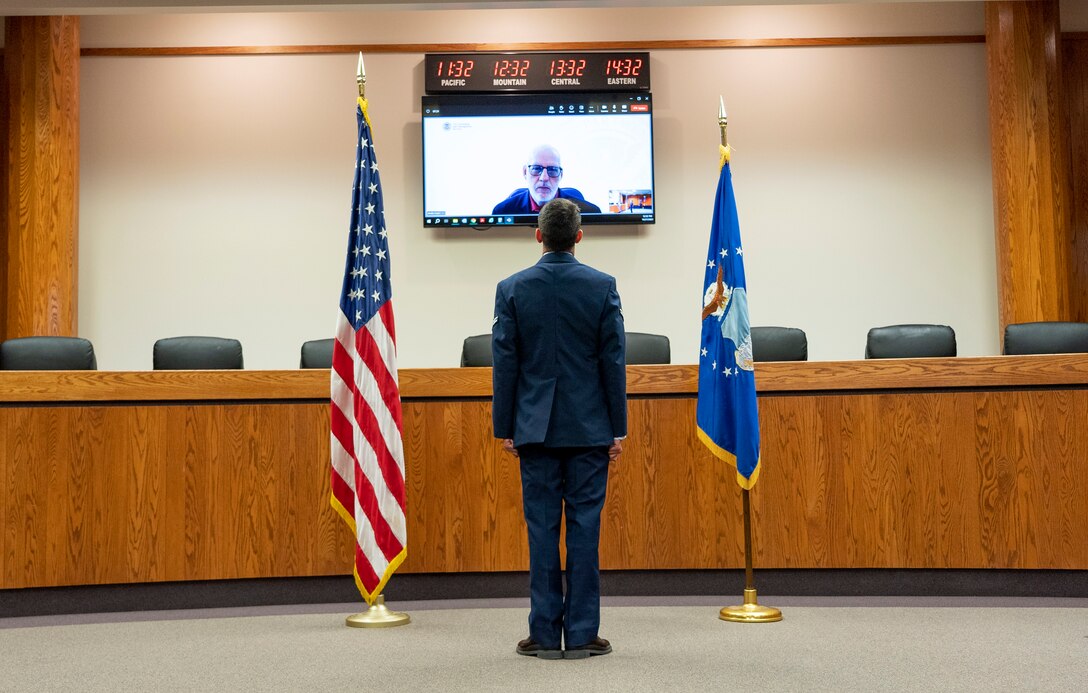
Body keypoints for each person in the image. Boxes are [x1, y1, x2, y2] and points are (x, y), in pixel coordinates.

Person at [491, 197, 627, 660]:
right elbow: (613, 361)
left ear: (538, 236)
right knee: (585, 531)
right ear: (579, 237)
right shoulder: (602, 285)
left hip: (535, 429)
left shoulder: (511, 287)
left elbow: (505, 363)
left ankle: (546, 635)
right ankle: (584, 634)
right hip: (590, 429)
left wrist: (504, 426)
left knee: (543, 530)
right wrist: (618, 429)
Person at [492, 145, 602, 215]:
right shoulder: (503, 212)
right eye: (536, 169)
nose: (544, 178)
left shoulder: (589, 212)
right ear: (525, 172)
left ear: (561, 175)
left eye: (552, 170)